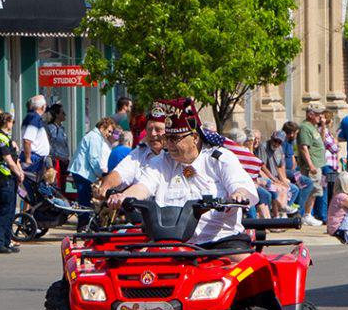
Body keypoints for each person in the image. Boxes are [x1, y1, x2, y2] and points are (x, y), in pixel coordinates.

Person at [106, 99, 257, 247]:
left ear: (195, 138)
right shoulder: (161, 161)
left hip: (220, 242)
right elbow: (143, 186)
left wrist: (238, 194)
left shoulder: (219, 159)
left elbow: (240, 186)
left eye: (175, 139)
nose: (169, 144)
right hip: (174, 246)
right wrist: (124, 196)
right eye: (168, 138)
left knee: (246, 266)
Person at [96, 109, 168, 199]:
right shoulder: (139, 153)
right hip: (140, 209)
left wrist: (123, 196)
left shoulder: (174, 156)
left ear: (169, 132)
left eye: (158, 130)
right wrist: (105, 187)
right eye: (149, 129)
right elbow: (121, 172)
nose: (153, 134)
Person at [68, 117, 116, 207]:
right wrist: (101, 175)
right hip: (82, 173)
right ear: (102, 127)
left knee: (85, 199)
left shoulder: (95, 137)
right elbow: (93, 159)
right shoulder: (95, 138)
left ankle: (84, 218)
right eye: (109, 131)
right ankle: (84, 220)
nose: (110, 134)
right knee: (84, 200)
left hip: (82, 172)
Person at [0, 112, 26, 254]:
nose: (12, 124)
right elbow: (9, 161)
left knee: (10, 212)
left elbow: (16, 160)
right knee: (4, 211)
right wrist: (18, 172)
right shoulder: (1, 138)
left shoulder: (8, 139)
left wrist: (20, 172)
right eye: (12, 121)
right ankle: (0, 242)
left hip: (11, 179)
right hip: (3, 179)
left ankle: (7, 241)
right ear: (7, 122)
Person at [297, 102, 327, 227]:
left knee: (316, 190)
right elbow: (304, 147)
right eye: (318, 114)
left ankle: (308, 214)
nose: (321, 116)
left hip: (318, 163)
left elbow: (322, 141)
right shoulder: (305, 127)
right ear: (310, 114)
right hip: (312, 165)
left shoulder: (313, 127)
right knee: (312, 189)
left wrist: (323, 126)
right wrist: (311, 165)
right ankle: (307, 214)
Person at [21, 94, 50, 174]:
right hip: (34, 159)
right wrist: (28, 159)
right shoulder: (34, 118)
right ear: (42, 107)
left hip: (37, 158)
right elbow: (27, 140)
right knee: (33, 184)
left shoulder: (33, 117)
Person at [45, 104, 70, 191]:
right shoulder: (52, 128)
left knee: (62, 186)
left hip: (63, 162)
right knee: (57, 186)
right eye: (63, 113)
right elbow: (49, 145)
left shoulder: (61, 128)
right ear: (56, 114)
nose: (65, 115)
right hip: (56, 162)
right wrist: (57, 157)